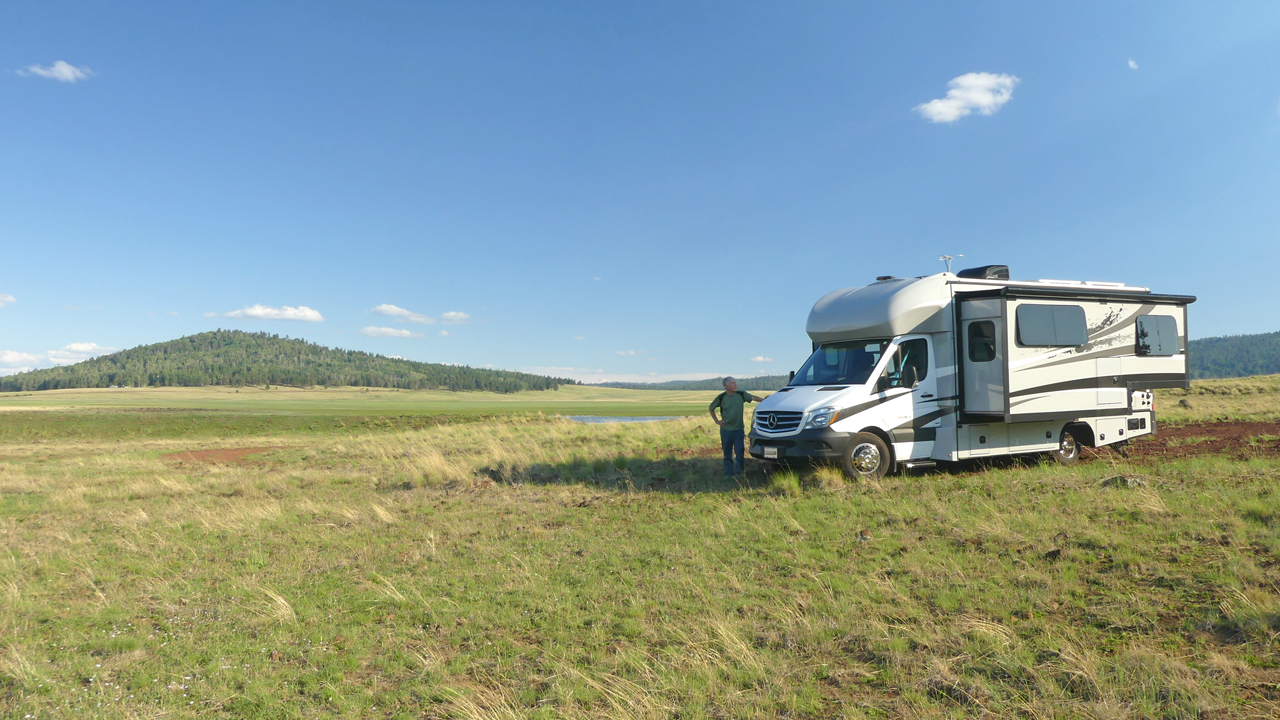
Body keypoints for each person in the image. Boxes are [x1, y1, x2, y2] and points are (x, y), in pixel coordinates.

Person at [708, 377, 765, 476]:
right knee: (727, 454)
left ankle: (739, 473)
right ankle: (728, 474)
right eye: (732, 383)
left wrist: (764, 401)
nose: (735, 385)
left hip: (739, 430)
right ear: (726, 386)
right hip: (726, 430)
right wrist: (717, 421)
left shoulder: (741, 394)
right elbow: (711, 408)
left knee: (740, 452)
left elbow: (753, 398)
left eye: (735, 382)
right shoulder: (721, 397)